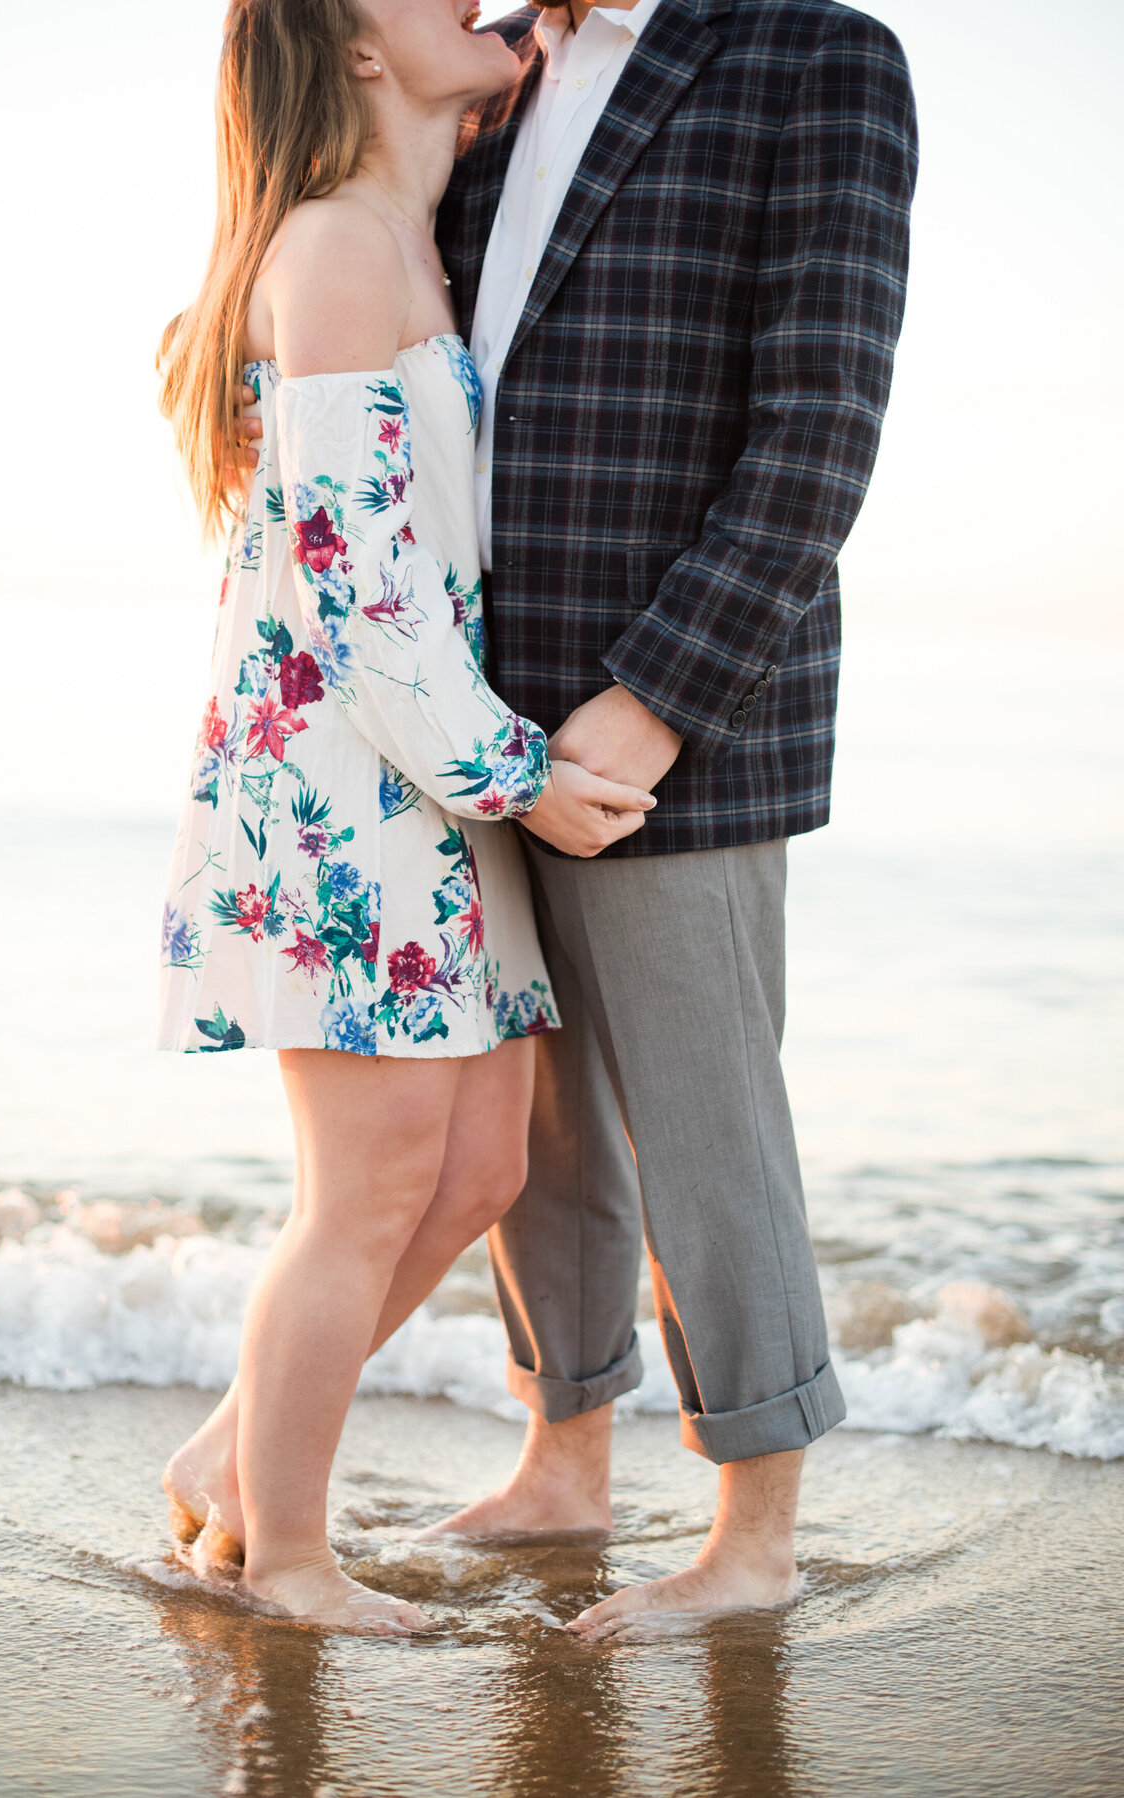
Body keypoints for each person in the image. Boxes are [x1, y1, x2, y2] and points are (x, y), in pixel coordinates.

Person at [234, 0, 917, 1641]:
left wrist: (659, 695)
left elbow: (817, 427)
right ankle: (567, 1461)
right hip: (466, 733)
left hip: (662, 722)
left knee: (705, 1121)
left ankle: (753, 1537)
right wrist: (479, 738)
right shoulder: (498, 81)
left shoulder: (815, 58)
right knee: (539, 1144)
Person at [155, 0, 656, 1636]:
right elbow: (365, 598)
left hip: (435, 785)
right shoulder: (339, 252)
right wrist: (526, 777)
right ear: (354, 49)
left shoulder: (413, 238)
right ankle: (288, 1559)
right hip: (350, 789)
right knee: (365, 1193)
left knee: (482, 1164)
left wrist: (496, 781)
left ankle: (234, 1452)